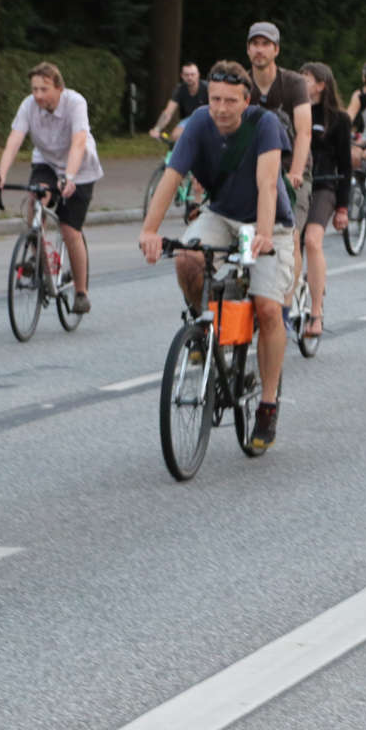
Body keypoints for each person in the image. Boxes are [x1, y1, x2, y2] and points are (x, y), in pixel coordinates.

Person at [139, 62, 294, 450]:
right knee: (187, 257)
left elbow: (267, 183)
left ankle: (268, 405)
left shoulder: (264, 125)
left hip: (266, 224)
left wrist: (262, 234)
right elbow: (172, 176)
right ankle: (204, 330)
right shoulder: (198, 123)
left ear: (246, 100)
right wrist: (149, 231)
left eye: (230, 101)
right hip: (221, 216)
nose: (221, 109)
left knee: (267, 308)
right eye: (215, 100)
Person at [0, 61, 101, 314]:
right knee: (36, 196)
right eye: (34, 89)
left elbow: (78, 141)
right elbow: (14, 140)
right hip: (47, 162)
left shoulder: (75, 103)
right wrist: (0, 175)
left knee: (70, 230)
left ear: (59, 88)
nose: (38, 95)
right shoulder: (29, 105)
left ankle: (81, 292)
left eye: (44, 89)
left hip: (80, 168)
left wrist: (69, 177)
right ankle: (36, 251)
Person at [244, 22, 311, 300]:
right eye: (255, 44)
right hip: (252, 171)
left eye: (265, 44)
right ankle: (246, 284)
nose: (259, 50)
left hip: (288, 171)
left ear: (276, 50)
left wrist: (296, 171)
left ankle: (288, 299)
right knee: (243, 228)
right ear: (248, 49)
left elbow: (304, 131)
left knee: (290, 230)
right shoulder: (242, 84)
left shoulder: (293, 83)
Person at [299, 63, 351, 340]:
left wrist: (343, 207)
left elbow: (346, 165)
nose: (301, 82)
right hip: (296, 186)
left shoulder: (339, 119)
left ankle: (316, 311)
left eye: (306, 78)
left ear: (321, 85)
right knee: (288, 244)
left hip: (324, 185)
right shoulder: (294, 112)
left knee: (312, 240)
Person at [148, 61, 208, 139]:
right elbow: (168, 112)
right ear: (182, 76)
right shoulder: (179, 90)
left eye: (192, 74)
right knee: (175, 136)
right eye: (186, 75)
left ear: (198, 75)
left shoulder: (208, 88)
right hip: (191, 119)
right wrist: (157, 129)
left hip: (209, 118)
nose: (190, 77)